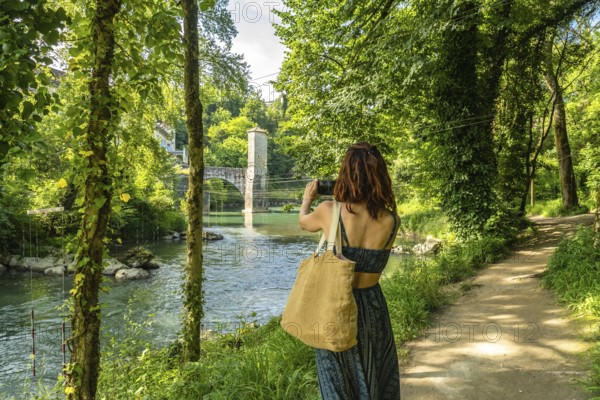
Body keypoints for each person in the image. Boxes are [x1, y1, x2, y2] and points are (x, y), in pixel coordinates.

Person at [298, 142, 401, 399]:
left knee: (337, 380)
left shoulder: (329, 211)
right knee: (374, 373)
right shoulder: (391, 221)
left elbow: (303, 222)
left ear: (346, 174)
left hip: (336, 305)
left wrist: (307, 199)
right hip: (374, 307)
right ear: (380, 177)